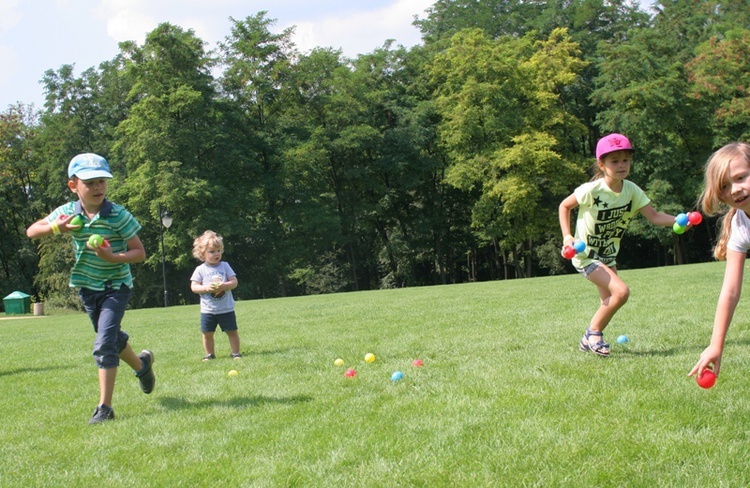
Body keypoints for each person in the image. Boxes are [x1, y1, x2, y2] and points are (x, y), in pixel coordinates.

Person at [26, 153, 154, 424]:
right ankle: (142, 366)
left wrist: (113, 258)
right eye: (90, 182)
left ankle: (104, 408)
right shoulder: (68, 213)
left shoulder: (118, 215)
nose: (98, 188)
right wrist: (55, 228)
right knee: (112, 339)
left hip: (116, 286)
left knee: (104, 343)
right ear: (74, 186)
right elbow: (31, 231)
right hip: (87, 287)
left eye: (102, 182)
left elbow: (139, 252)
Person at [559, 134, 680, 356]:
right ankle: (592, 334)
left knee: (608, 299)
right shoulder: (592, 190)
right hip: (586, 255)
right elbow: (564, 206)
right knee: (621, 292)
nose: (621, 165)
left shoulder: (632, 190)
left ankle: (592, 339)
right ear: (602, 164)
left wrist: (679, 221)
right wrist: (568, 237)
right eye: (614, 161)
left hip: (608, 256)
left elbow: (653, 216)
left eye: (625, 160)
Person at [689, 142, 750, 379]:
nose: (735, 190)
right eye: (725, 186)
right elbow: (731, 290)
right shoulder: (740, 225)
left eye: (741, 177)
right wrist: (716, 345)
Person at [190, 230, 241, 361]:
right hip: (208, 310)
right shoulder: (200, 270)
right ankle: (209, 354)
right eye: (211, 252)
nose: (216, 254)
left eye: (218, 250)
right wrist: (206, 288)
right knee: (207, 333)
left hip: (226, 308)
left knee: (232, 331)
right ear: (202, 254)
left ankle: (235, 353)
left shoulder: (225, 266)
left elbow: (234, 282)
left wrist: (226, 285)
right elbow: (194, 286)